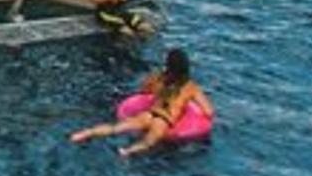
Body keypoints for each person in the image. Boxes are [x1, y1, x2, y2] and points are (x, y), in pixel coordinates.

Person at [70, 48, 213, 156]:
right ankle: (126, 151)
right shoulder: (191, 87)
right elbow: (209, 111)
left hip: (148, 114)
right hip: (163, 122)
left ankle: (84, 134)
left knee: (115, 128)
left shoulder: (158, 77)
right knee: (146, 143)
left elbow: (144, 92)